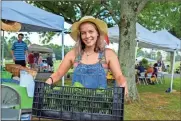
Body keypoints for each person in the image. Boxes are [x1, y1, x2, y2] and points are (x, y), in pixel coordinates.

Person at [45, 16, 128, 95]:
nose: (87, 36)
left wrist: (123, 83)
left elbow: (119, 76)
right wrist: (49, 81)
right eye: (83, 33)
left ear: (97, 33)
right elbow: (59, 73)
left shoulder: (108, 54)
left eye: (91, 31)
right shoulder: (73, 54)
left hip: (100, 105)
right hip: (76, 104)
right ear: (80, 36)